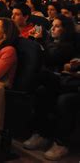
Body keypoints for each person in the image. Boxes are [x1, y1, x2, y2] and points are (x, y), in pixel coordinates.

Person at [23, 15, 79, 161]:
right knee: (42, 91)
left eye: (58, 26)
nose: (52, 28)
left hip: (72, 84)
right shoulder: (53, 42)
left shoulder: (68, 45)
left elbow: (51, 58)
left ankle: (61, 143)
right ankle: (42, 134)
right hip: (65, 80)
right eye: (52, 25)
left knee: (64, 100)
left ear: (66, 30)